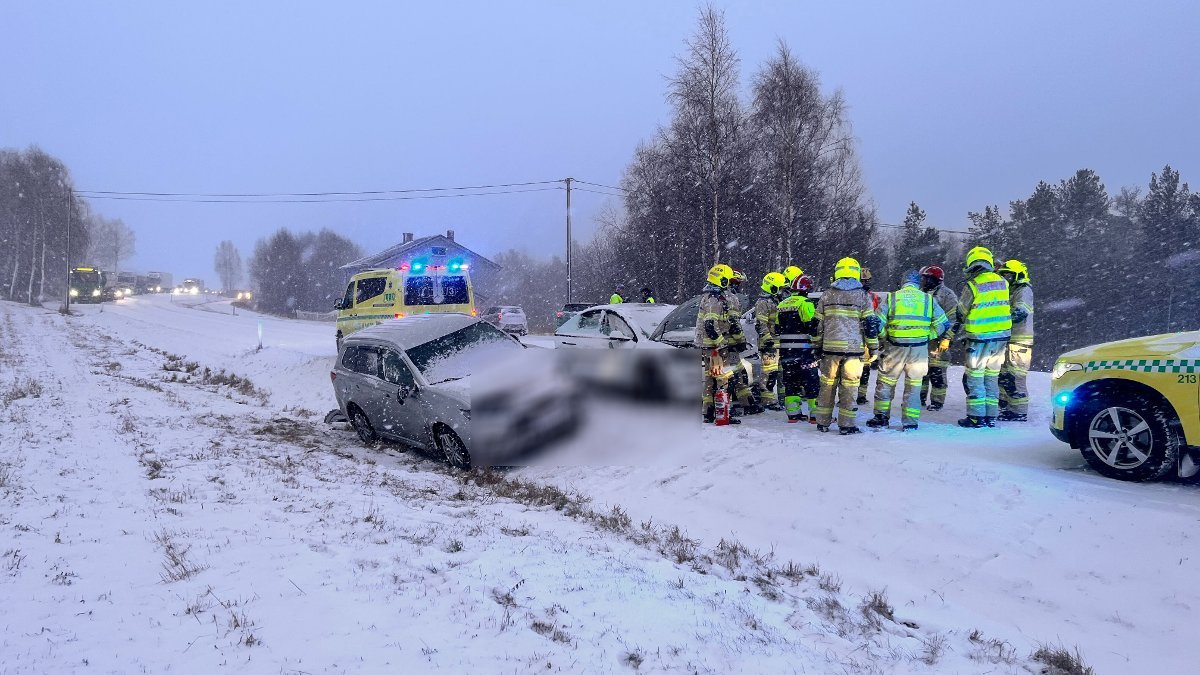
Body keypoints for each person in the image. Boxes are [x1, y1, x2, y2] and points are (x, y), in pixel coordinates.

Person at [866, 270, 951, 431]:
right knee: (914, 387)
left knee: (886, 383)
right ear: (918, 283)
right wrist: (927, 336)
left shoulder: (892, 298)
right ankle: (910, 422)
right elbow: (943, 324)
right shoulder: (928, 299)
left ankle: (881, 417)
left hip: (895, 348)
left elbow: (876, 324)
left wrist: (886, 336)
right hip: (919, 350)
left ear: (903, 282)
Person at [813, 257, 880, 435]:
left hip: (829, 351)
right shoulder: (862, 295)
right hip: (853, 351)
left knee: (827, 387)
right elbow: (870, 325)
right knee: (849, 388)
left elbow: (818, 324)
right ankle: (846, 425)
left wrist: (817, 346)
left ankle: (822, 422)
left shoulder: (827, 294)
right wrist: (873, 348)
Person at [952, 246, 1012, 428]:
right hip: (1001, 339)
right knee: (992, 377)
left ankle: (976, 417)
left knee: (976, 377)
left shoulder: (973, 285)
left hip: (979, 340)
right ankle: (990, 417)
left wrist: (958, 323)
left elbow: (962, 311)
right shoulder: (1004, 282)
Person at [696, 264, 743, 424]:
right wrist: (722, 344)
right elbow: (710, 325)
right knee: (723, 379)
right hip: (715, 348)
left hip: (709, 347)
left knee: (710, 379)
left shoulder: (710, 296)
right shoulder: (714, 299)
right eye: (727, 280)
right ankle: (723, 414)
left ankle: (708, 412)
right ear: (721, 280)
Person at [777, 274, 820, 422]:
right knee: (811, 381)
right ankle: (815, 415)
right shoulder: (806, 303)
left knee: (791, 382)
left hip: (785, 352)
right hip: (804, 351)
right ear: (806, 290)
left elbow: (778, 328)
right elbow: (812, 326)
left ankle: (793, 415)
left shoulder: (782, 304)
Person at [997, 259, 1033, 421]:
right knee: (1005, 375)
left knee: (1016, 376)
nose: (1006, 278)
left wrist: (999, 321)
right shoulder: (1012, 290)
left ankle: (1019, 411)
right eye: (1004, 275)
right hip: (1010, 340)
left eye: (1009, 275)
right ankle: (1007, 407)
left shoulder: (1023, 290)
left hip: (1019, 341)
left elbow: (1020, 312)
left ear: (1018, 274)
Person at [918, 265, 958, 411]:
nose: (923, 281)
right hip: (922, 340)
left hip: (939, 341)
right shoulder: (920, 293)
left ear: (935, 279)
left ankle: (937, 402)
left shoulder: (947, 295)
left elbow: (954, 318)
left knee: (937, 372)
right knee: (920, 372)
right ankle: (919, 398)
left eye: (925, 278)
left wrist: (947, 338)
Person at [753, 272, 787, 410]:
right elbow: (761, 324)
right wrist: (768, 342)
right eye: (780, 288)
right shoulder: (762, 303)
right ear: (772, 288)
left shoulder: (776, 301)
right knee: (769, 373)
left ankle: (781, 399)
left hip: (779, 343)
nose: (782, 291)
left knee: (781, 373)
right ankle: (768, 400)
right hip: (770, 345)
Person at [856, 267, 884, 406]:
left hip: (867, 335)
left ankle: (861, 395)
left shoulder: (874, 297)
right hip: (855, 334)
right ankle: (848, 394)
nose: (866, 283)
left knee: (865, 368)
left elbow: (877, 317)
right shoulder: (854, 296)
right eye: (863, 280)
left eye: (867, 280)